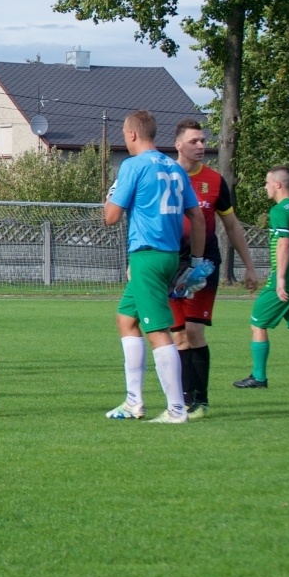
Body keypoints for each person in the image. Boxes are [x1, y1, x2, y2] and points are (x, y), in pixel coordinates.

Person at [101, 110, 205, 423]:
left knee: (158, 331)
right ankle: (133, 401)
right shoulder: (175, 167)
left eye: (124, 134)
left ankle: (176, 409)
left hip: (147, 254)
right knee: (125, 319)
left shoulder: (132, 166)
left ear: (132, 135)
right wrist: (197, 262)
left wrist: (110, 195)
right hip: (170, 254)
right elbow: (197, 217)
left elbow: (110, 217)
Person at [170, 120, 259, 417]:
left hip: (203, 265)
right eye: (194, 141)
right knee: (178, 336)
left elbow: (231, 225)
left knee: (194, 332)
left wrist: (249, 266)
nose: (201, 146)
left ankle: (201, 401)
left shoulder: (215, 181)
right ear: (178, 145)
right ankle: (182, 401)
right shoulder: (164, 177)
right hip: (170, 264)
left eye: (203, 140)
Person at [234, 166, 289, 391]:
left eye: (267, 183)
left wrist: (280, 279)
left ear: (278, 185)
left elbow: (283, 243)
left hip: (287, 277)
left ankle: (259, 377)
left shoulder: (280, 211)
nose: (265, 187)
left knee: (257, 322)